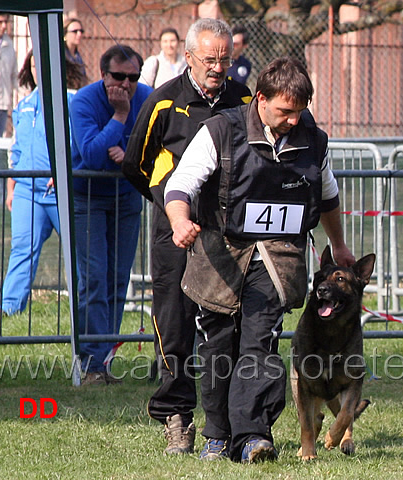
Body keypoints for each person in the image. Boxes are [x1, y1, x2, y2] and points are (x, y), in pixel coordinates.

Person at [164, 56, 355, 463]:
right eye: (285, 111)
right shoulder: (221, 130)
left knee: (259, 345)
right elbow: (181, 183)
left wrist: (338, 246)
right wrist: (180, 221)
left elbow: (327, 196)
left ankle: (253, 437)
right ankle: (217, 436)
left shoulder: (313, 141)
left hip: (277, 260)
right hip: (220, 256)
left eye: (299, 112)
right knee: (218, 347)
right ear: (262, 99)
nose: (292, 120)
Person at [123, 18, 251, 456]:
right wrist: (170, 208)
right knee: (174, 322)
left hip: (227, 232)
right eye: (210, 60)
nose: (218, 68)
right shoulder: (163, 101)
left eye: (225, 60)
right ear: (190, 58)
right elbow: (136, 165)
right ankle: (176, 415)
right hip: (173, 230)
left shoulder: (244, 100)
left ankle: (231, 421)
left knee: (225, 323)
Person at [70, 45, 152, 386]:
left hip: (127, 198)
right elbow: (90, 154)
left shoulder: (148, 97)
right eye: (118, 76)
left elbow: (157, 144)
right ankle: (89, 363)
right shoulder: (85, 102)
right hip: (87, 197)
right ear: (103, 75)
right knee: (94, 280)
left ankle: (104, 359)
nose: (127, 84)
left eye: (133, 77)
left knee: (118, 281)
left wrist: (129, 153)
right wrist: (119, 117)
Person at [0, 51, 83, 316]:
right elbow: (18, 150)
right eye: (34, 64)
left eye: (44, 64)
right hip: (26, 191)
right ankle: (9, 311)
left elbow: (80, 144)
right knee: (22, 249)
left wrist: (64, 171)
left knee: (78, 254)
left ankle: (84, 311)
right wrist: (12, 186)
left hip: (62, 191)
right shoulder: (23, 105)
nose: (38, 69)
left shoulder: (74, 101)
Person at [63, 18, 88, 83]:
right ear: (65, 34)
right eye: (75, 31)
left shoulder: (77, 56)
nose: (79, 34)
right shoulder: (61, 55)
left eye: (81, 31)